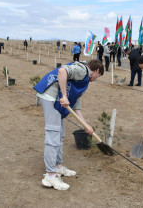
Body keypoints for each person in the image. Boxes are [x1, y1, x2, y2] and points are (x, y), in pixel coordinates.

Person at [34, 60, 104, 190]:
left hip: (56, 99)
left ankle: (58, 167)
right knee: (53, 134)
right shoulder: (83, 70)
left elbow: (76, 104)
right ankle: (50, 175)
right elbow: (62, 71)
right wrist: (65, 96)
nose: (96, 79)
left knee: (60, 134)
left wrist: (85, 125)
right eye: (98, 77)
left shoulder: (83, 81)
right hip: (50, 96)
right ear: (97, 70)